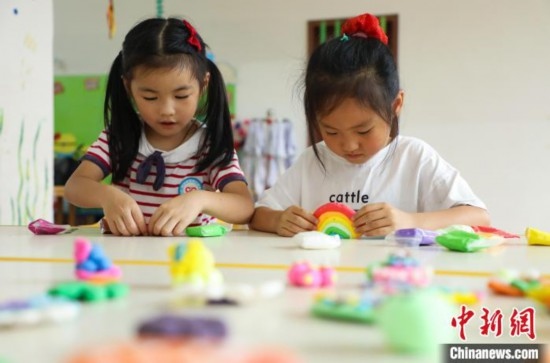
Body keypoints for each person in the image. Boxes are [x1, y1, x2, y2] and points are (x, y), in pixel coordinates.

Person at [249, 13, 490, 237]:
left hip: (399, 279)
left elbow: (479, 217)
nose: (349, 144)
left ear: (396, 105)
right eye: (331, 131)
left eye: (363, 130)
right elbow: (258, 215)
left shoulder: (415, 158)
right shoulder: (311, 162)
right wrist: (279, 220)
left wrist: (409, 220)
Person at [64, 17, 254, 236]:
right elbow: (74, 186)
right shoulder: (119, 136)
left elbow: (244, 206)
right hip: (128, 258)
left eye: (181, 95)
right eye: (150, 97)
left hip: (190, 261)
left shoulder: (209, 143)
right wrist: (107, 196)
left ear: (203, 85)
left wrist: (200, 199)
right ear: (128, 87)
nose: (167, 110)